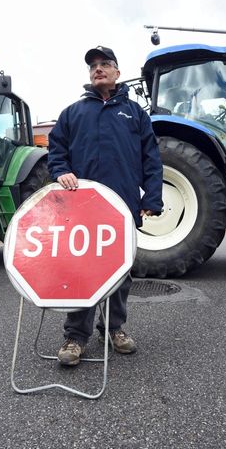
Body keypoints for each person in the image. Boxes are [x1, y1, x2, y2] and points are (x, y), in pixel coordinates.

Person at [48, 45, 163, 366]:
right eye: (93, 65)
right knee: (81, 271)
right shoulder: (73, 113)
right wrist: (61, 171)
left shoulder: (135, 113)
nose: (98, 68)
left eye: (105, 64)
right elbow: (56, 151)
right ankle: (75, 336)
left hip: (121, 206)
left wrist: (152, 198)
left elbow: (152, 158)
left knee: (120, 271)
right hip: (81, 209)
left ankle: (113, 328)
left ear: (117, 72)